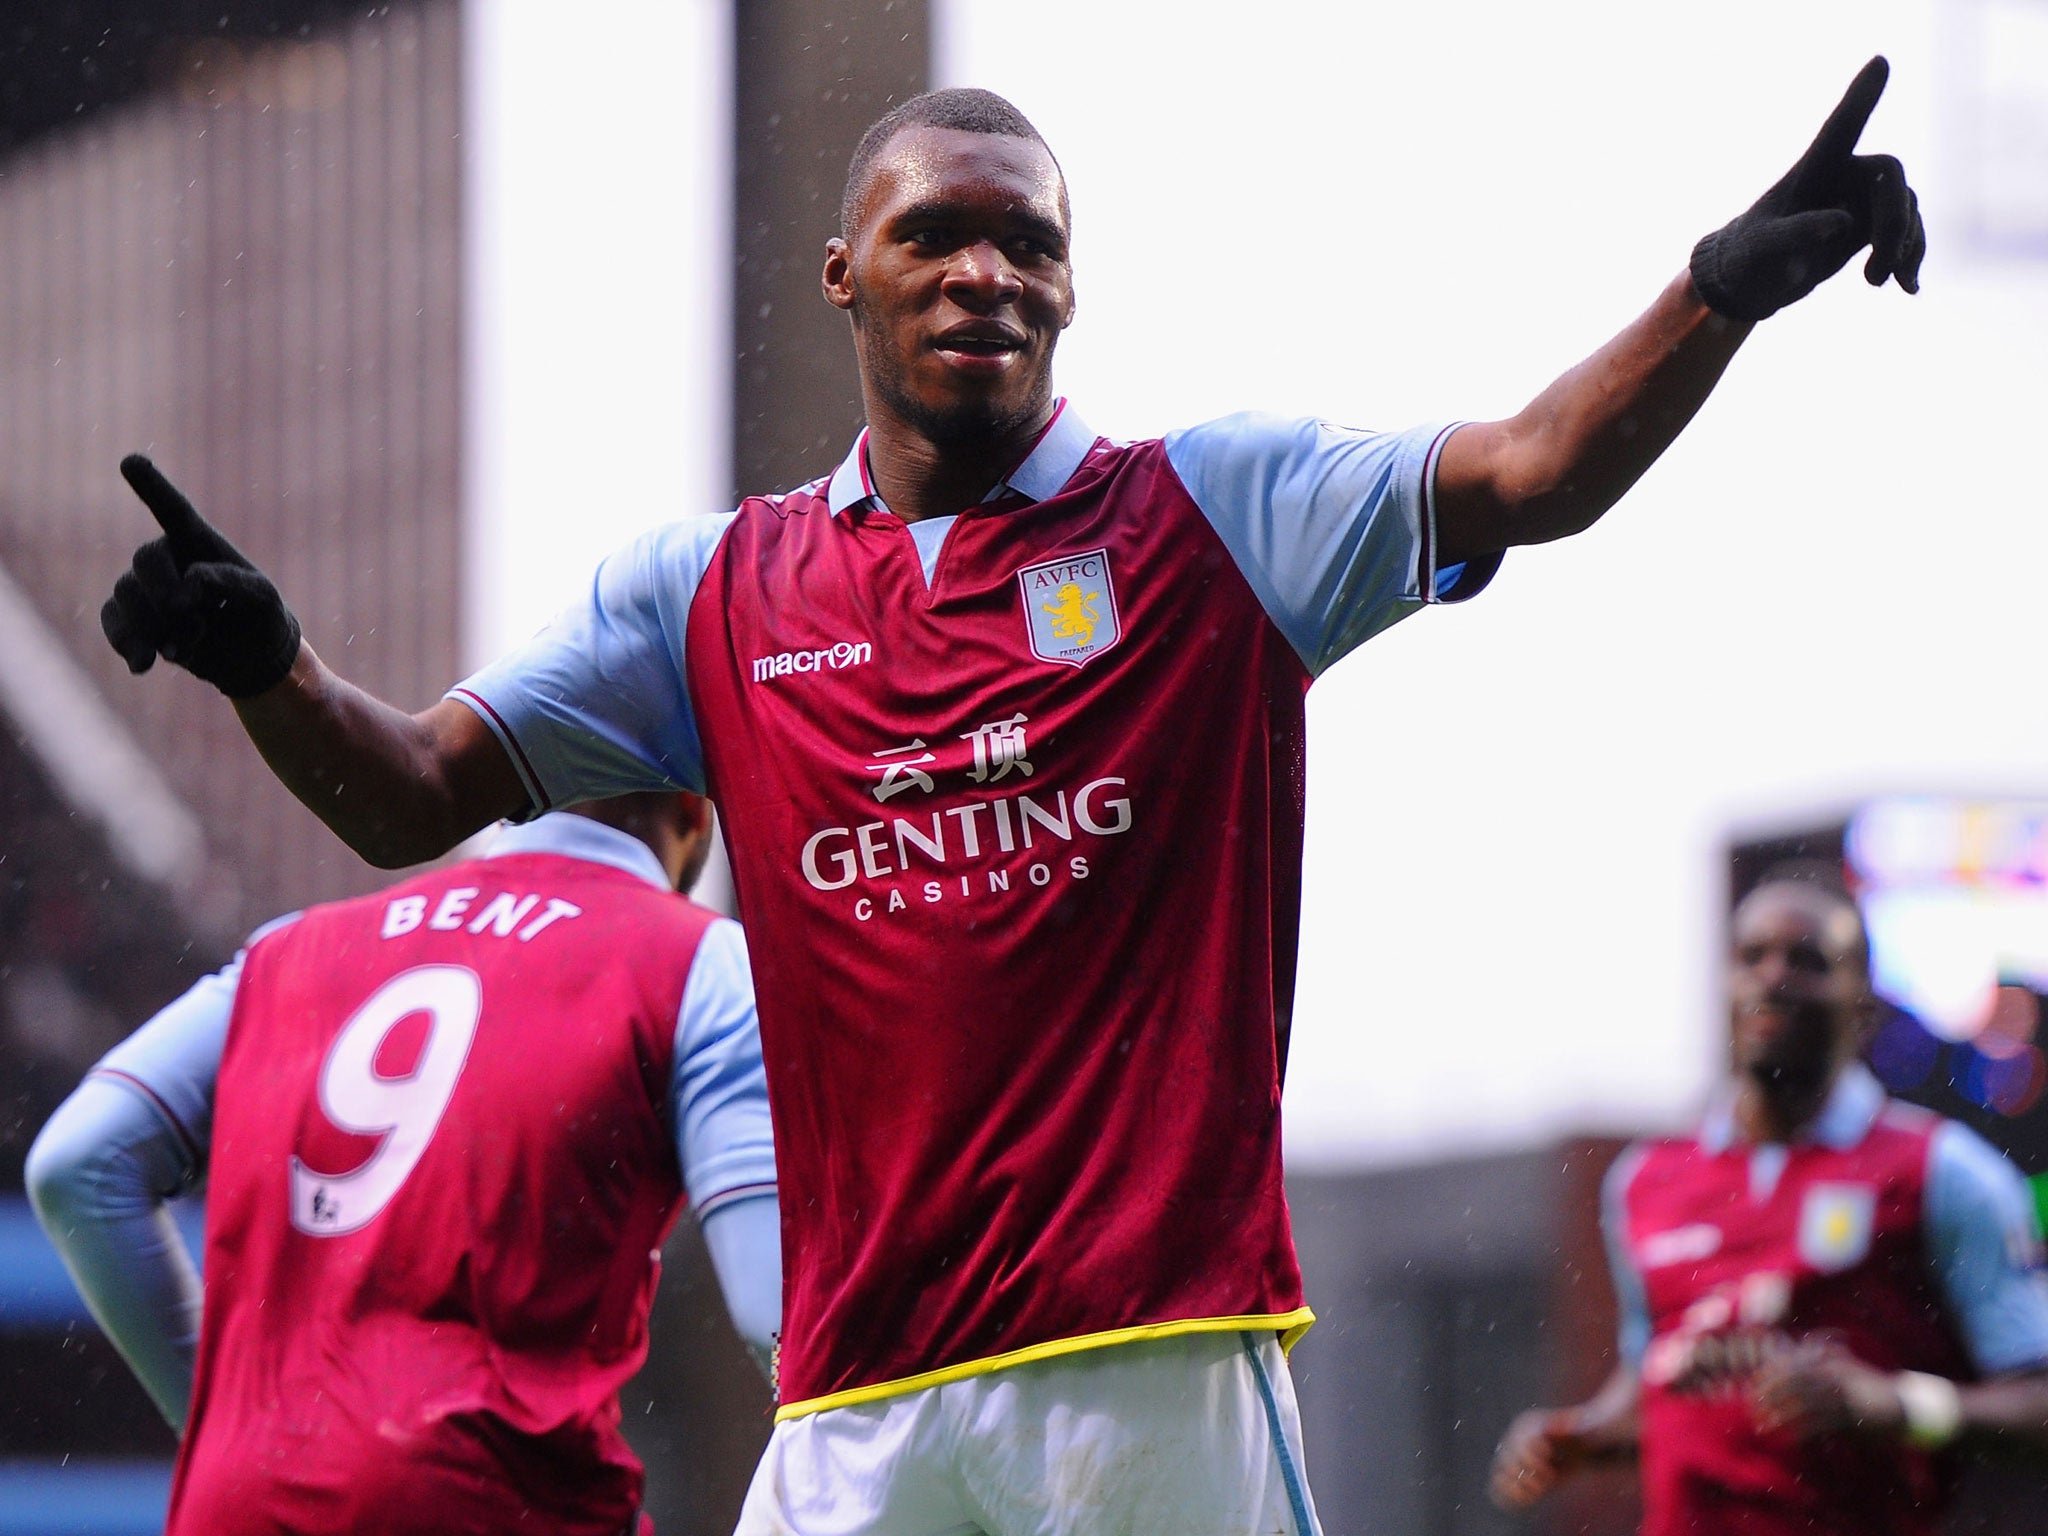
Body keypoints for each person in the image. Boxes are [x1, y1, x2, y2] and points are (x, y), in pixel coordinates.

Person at [95, 58, 1924, 1535]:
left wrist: (1713, 291)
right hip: (855, 1401)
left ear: (1068, 280)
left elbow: (1531, 469)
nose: (987, 274)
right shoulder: (709, 591)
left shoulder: (1211, 512)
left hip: (1151, 1381)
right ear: (845, 274)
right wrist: (271, 664)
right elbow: (412, 791)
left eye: (1026, 246)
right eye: (937, 237)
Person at [26, 794, 779, 1536]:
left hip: (243, 1503)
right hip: (491, 1501)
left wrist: (227, 1418)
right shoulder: (696, 959)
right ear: (695, 810)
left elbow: (79, 1163)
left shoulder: (292, 948)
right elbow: (774, 1317)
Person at [1489, 876, 2048, 1535]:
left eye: (1807, 961)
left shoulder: (1942, 1172)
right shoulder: (1646, 1182)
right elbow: (1655, 1376)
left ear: (1863, 1000)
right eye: (1751, 957)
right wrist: (1584, 1434)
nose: (1772, 978)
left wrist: (1900, 1405)